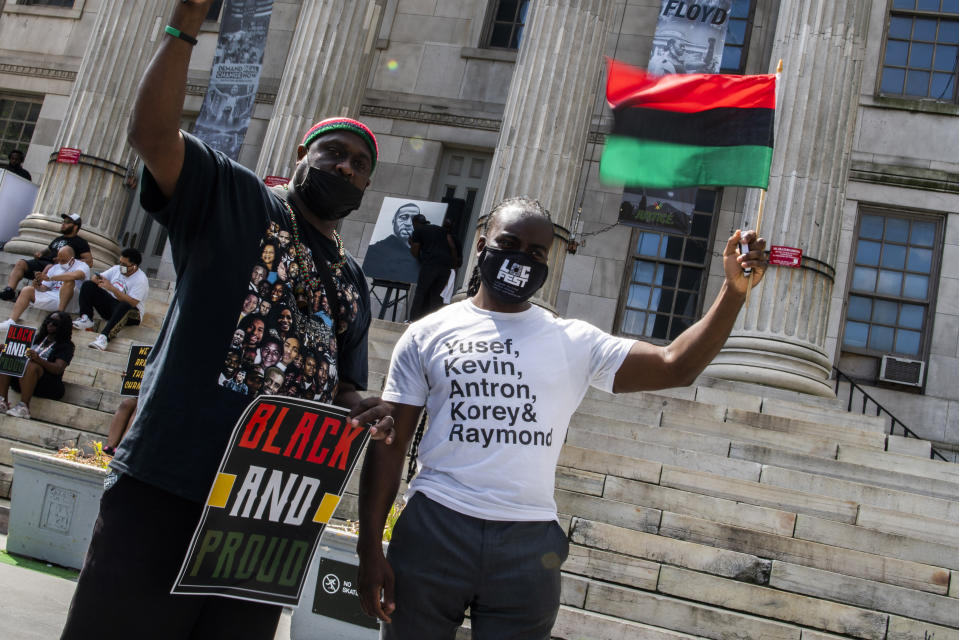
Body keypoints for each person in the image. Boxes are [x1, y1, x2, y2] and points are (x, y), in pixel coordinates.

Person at [59, 2, 394, 638]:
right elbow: (152, 138)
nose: (346, 167)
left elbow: (343, 387)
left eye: (360, 165)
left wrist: (364, 404)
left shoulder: (351, 281)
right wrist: (184, 27)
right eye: (334, 153)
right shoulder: (234, 198)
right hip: (170, 479)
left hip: (266, 517)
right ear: (301, 153)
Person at [357, 196, 767, 639]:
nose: (522, 258)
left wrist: (733, 291)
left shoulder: (574, 341)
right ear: (481, 245)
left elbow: (676, 365)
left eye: (537, 253)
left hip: (529, 546)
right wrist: (368, 549)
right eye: (509, 243)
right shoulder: (427, 334)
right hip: (435, 527)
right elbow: (391, 443)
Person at [0, 213, 93, 301]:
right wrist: (41, 253)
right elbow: (48, 250)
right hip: (43, 262)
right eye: (63, 222)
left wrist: (65, 260)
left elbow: (89, 262)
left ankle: (28, 295)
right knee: (21, 263)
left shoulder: (81, 242)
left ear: (75, 226)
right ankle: (9, 290)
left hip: (57, 267)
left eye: (67, 222)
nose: (63, 224)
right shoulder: (58, 239)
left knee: (48, 268)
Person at [0, 311, 74, 420]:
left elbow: (58, 368)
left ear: (63, 326)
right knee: (6, 357)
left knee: (31, 365)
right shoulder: (36, 338)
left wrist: (38, 359)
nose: (50, 324)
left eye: (55, 323)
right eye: (49, 321)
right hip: (22, 379)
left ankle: (23, 407)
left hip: (48, 384)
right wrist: (6, 349)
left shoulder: (66, 346)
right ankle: (2, 401)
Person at [72, 248, 150, 350]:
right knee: (88, 285)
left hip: (132, 314)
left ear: (134, 266)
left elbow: (132, 302)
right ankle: (86, 318)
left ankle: (104, 338)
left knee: (125, 304)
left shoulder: (141, 280)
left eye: (125, 265)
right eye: (120, 262)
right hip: (112, 307)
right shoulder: (116, 269)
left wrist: (112, 288)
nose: (121, 266)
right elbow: (96, 279)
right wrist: (97, 279)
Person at [0, 246, 90, 331]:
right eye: (59, 260)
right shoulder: (55, 268)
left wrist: (51, 278)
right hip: (54, 297)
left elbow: (75, 275)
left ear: (72, 259)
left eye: (64, 260)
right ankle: (11, 321)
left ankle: (59, 317)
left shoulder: (82, 266)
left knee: (69, 281)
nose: (61, 263)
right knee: (27, 290)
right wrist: (37, 286)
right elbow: (45, 288)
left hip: (72, 301)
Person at [408, 213, 459, 320]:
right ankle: (431, 322)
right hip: (446, 268)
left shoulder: (418, 230)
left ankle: (413, 320)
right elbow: (452, 247)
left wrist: (411, 244)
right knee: (436, 296)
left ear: (415, 223)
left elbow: (415, 252)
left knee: (421, 292)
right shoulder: (441, 230)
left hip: (431, 265)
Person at [363, 202, 421, 283]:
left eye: (414, 219)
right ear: (393, 221)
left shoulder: (420, 253)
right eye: (404, 217)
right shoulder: (374, 250)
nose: (409, 223)